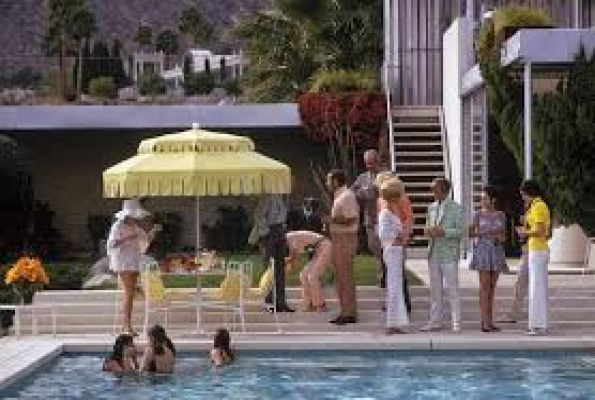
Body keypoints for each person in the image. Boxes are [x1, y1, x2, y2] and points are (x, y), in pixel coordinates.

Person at [107, 198, 161, 335]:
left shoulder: (135, 227)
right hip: (123, 262)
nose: (134, 218)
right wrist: (128, 238)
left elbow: (146, 240)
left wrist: (154, 231)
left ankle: (127, 324)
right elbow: (111, 245)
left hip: (134, 261)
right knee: (129, 294)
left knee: (131, 294)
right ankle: (127, 326)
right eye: (132, 215)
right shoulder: (117, 226)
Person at [422, 178, 464, 332]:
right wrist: (428, 231)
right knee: (435, 290)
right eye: (432, 189)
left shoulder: (457, 208)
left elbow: (461, 231)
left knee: (453, 289)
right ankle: (435, 321)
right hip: (433, 252)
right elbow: (427, 226)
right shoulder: (431, 207)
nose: (433, 192)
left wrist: (444, 232)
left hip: (449, 253)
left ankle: (456, 323)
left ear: (445, 191)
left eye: (435, 189)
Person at [468, 186, 507, 332]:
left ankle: (490, 321)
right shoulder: (477, 214)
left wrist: (498, 235)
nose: (482, 200)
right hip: (483, 252)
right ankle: (484, 322)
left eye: (485, 198)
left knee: (492, 288)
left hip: (496, 252)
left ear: (493, 200)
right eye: (481, 198)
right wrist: (485, 233)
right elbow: (470, 233)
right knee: (484, 288)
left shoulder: (501, 215)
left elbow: (504, 237)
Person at [248, 194, 294, 313]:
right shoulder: (267, 196)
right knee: (269, 269)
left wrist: (282, 229)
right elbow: (258, 215)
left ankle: (281, 302)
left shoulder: (281, 198)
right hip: (270, 232)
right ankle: (270, 302)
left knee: (280, 269)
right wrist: (265, 232)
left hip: (280, 232)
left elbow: (282, 216)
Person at [325, 169, 360, 325]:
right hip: (339, 239)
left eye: (329, 180)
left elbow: (351, 219)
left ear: (336, 181)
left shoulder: (347, 196)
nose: (327, 183)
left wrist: (331, 220)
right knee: (341, 277)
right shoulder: (340, 196)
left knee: (345, 277)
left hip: (345, 239)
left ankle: (349, 313)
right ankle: (345, 311)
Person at [375, 171, 413, 314]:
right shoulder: (381, 200)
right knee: (390, 276)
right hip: (388, 244)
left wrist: (404, 236)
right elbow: (382, 225)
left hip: (397, 242)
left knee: (398, 275)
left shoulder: (401, 199)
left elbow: (408, 218)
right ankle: (394, 306)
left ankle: (403, 303)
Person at [517, 180, 550, 336]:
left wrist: (525, 233)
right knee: (537, 287)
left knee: (536, 288)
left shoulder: (538, 206)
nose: (523, 198)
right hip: (537, 250)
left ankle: (537, 326)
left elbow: (541, 231)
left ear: (529, 193)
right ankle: (538, 324)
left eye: (523, 195)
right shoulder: (537, 206)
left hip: (538, 250)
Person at [352, 150, 385, 287]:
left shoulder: (387, 175)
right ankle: (383, 270)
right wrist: (363, 193)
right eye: (367, 163)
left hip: (385, 219)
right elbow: (352, 192)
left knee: (386, 249)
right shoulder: (362, 177)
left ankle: (384, 275)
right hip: (370, 219)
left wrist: (372, 192)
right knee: (373, 246)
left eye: (371, 163)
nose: (369, 166)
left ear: (378, 161)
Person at [285, 230, 333, 312]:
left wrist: (287, 264)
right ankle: (309, 303)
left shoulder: (289, 237)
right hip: (318, 250)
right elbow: (296, 257)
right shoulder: (290, 238)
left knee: (313, 276)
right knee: (303, 275)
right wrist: (289, 265)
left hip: (326, 247)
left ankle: (320, 305)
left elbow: (294, 255)